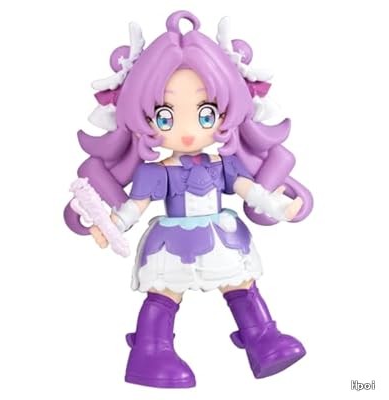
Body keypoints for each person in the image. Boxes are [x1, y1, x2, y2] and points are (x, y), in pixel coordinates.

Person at [64, 10, 313, 388]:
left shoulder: (224, 165)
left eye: (206, 113)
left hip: (223, 237)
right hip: (172, 242)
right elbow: (134, 207)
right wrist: (111, 224)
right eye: (164, 116)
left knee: (242, 285)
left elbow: (251, 191)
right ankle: (151, 351)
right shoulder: (155, 172)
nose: (186, 131)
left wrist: (280, 206)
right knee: (165, 293)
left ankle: (263, 339)